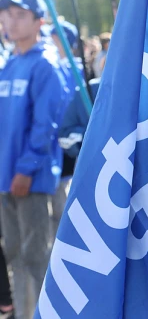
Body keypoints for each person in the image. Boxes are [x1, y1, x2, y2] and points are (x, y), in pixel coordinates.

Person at [0, 0, 70, 319]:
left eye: (19, 14)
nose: (9, 21)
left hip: (31, 179)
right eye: (7, 14)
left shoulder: (45, 64)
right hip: (6, 176)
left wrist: (26, 170)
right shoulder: (11, 63)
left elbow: (46, 125)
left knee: (36, 256)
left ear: (38, 22)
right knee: (13, 252)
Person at [50, 20, 90, 237]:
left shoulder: (75, 69)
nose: (51, 41)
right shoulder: (54, 66)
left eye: (55, 37)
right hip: (55, 141)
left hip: (69, 145)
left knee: (65, 207)